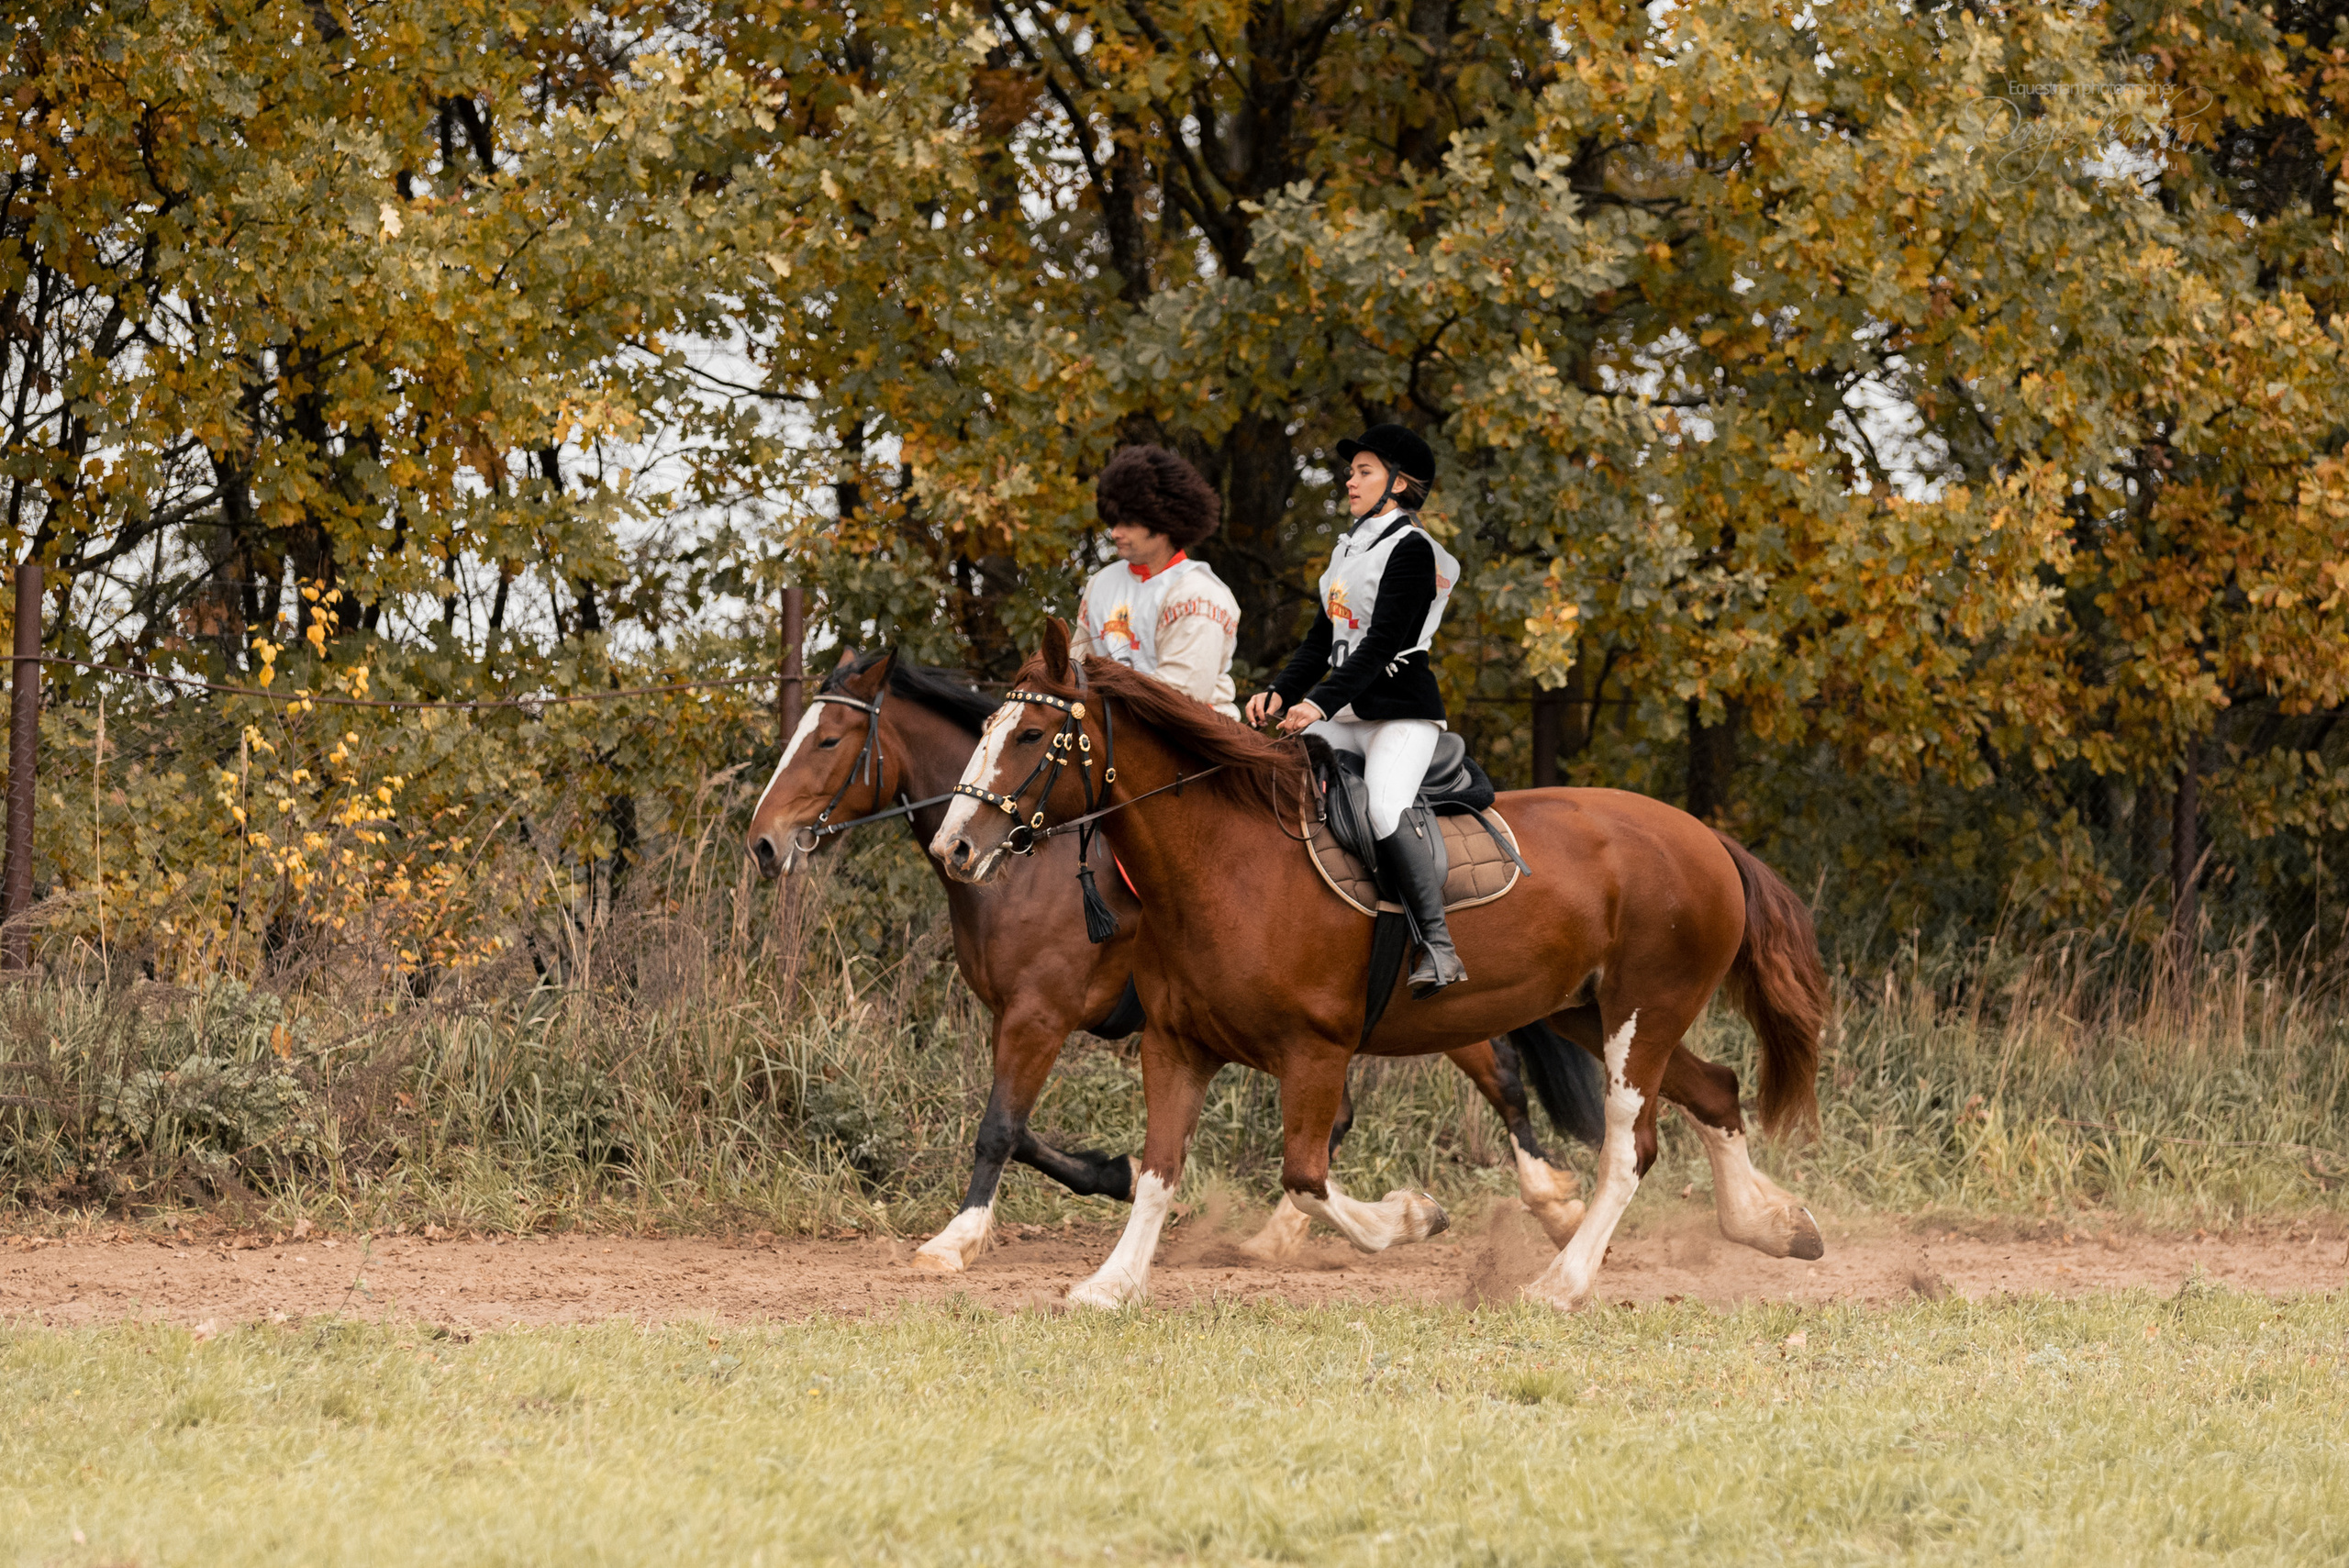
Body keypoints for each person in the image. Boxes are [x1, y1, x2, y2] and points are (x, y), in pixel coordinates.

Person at [1245, 424, 1466, 995]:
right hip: (1347, 717)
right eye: (1351, 472)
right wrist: (1280, 692)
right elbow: (1321, 642)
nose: (1350, 480)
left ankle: (1437, 945)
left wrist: (1317, 702)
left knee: (1386, 809)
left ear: (1399, 484)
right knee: (1277, 781)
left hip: (1400, 716)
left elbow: (1383, 643)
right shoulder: (1348, 551)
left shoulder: (1413, 550)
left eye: (1364, 472)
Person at [1071, 445, 1242, 719]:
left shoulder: (1200, 594)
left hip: (1192, 733)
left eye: (1128, 523)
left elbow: (1178, 697)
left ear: (1163, 524)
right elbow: (1075, 670)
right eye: (1114, 521)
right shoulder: (1101, 583)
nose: (1115, 533)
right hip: (1110, 728)